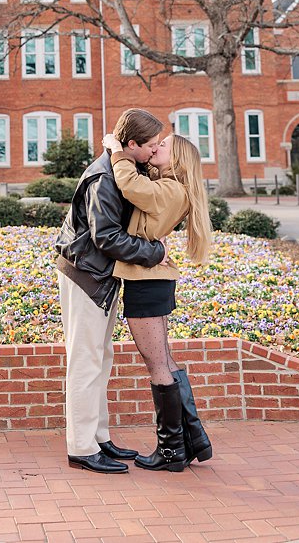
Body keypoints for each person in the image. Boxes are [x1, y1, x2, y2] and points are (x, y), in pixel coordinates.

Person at [53, 108, 173, 473]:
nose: (155, 151)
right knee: (86, 361)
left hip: (99, 277)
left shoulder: (120, 166)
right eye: (150, 145)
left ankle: (98, 438)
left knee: (100, 359)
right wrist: (157, 252)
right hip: (85, 276)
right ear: (132, 144)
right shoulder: (103, 179)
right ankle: (81, 447)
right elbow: (106, 237)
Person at [103, 129, 216, 472]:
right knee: (165, 360)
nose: (156, 147)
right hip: (153, 280)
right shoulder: (171, 187)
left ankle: (170, 452)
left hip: (146, 282)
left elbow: (130, 186)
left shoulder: (169, 189)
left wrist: (116, 151)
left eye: (162, 145)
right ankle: (193, 439)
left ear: (177, 157)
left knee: (158, 367)